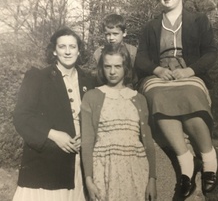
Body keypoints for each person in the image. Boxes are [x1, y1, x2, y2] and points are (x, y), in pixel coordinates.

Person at [135, 0, 218, 198]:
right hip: (160, 76)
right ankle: (187, 162)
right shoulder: (151, 26)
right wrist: (158, 70)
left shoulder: (198, 20)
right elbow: (140, 59)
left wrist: (190, 71)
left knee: (190, 92)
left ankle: (209, 157)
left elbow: (211, 52)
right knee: (155, 95)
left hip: (188, 73)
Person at [12, 27, 95, 201]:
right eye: (62, 46)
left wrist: (87, 135)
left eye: (72, 47)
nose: (67, 51)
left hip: (81, 165)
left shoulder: (90, 80)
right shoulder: (38, 77)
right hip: (46, 166)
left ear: (79, 50)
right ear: (54, 51)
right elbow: (22, 116)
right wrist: (53, 135)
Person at [81, 44, 157, 201]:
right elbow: (87, 142)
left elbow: (148, 143)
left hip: (136, 168)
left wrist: (152, 179)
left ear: (126, 67)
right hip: (104, 169)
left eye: (118, 66)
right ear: (102, 68)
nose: (112, 71)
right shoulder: (92, 97)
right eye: (107, 66)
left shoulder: (139, 99)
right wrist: (89, 180)